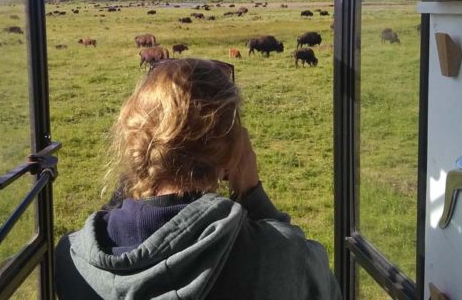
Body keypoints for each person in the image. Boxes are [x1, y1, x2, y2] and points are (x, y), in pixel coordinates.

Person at [55, 58, 340, 299]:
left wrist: (132, 179)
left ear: (134, 144)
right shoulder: (281, 258)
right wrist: (254, 196)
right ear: (233, 152)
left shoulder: (71, 259)